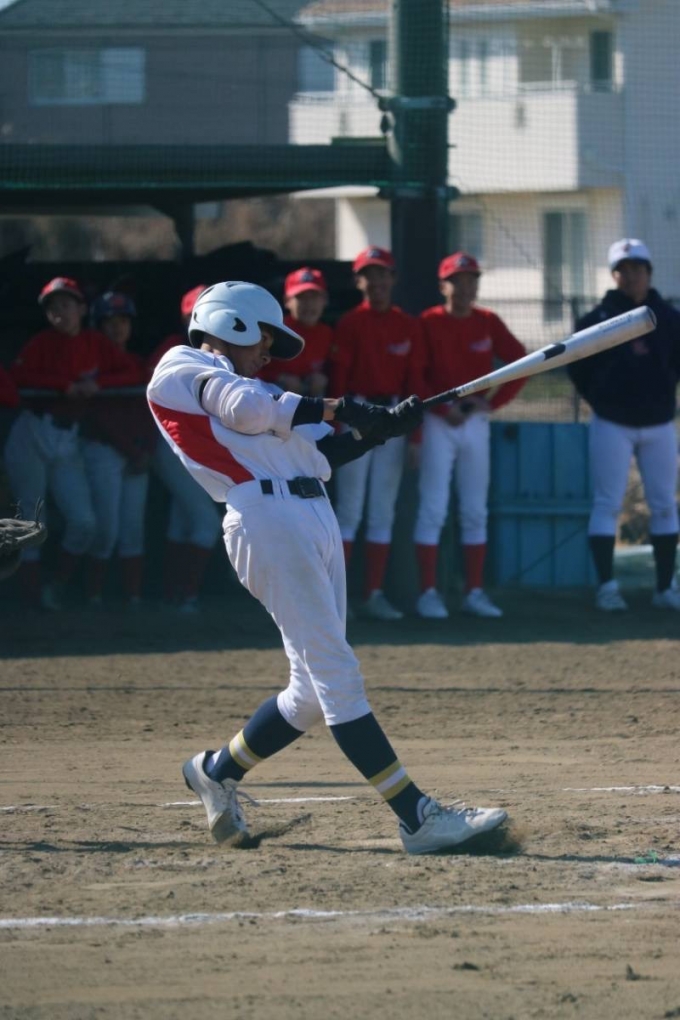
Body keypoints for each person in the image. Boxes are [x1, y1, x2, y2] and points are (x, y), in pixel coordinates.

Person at [147, 280, 508, 854]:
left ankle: (216, 771)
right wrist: (345, 407)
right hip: (265, 519)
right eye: (264, 338)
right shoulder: (181, 368)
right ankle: (417, 817)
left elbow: (320, 452)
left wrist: (378, 431)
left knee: (311, 694)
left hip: (309, 513)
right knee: (337, 674)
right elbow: (247, 410)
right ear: (230, 323)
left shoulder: (258, 389)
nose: (268, 353)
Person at [4, 277, 141, 609]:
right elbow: (17, 376)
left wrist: (100, 383)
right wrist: (63, 384)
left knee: (85, 522)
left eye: (66, 304)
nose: (59, 312)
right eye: (52, 307)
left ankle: (57, 586)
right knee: (32, 523)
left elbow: (137, 373)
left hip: (68, 438)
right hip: (33, 432)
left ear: (81, 308)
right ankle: (31, 602)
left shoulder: (95, 342)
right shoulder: (41, 342)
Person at [413, 252, 527, 620]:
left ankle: (474, 592)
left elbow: (522, 362)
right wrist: (442, 409)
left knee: (475, 509)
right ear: (442, 286)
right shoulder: (428, 321)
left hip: (475, 422)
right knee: (433, 507)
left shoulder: (487, 321)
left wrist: (491, 404)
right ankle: (428, 593)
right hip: (439, 421)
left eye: (470, 281)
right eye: (456, 281)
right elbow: (416, 376)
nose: (464, 288)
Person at [568, 238, 680, 612]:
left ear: (649, 273)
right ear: (614, 275)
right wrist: (602, 399)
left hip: (659, 424)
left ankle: (664, 588)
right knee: (607, 503)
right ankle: (607, 588)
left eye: (637, 269)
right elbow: (577, 367)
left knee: (664, 505)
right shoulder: (597, 320)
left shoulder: (668, 317)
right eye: (623, 270)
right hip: (612, 422)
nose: (631, 276)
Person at [329, 246, 423, 621]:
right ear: (359, 282)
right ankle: (338, 599)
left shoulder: (407, 324)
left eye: (383, 274)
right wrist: (335, 427)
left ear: (393, 278)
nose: (377, 282)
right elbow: (338, 380)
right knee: (349, 511)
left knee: (382, 511)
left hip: (394, 417)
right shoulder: (350, 323)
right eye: (369, 275)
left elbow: (414, 383)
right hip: (357, 414)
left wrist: (415, 437)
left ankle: (373, 594)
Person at [147, 285, 222, 611]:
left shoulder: (226, 351)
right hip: (172, 446)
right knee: (206, 523)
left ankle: (173, 595)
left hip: (197, 448)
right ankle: (186, 595)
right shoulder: (173, 348)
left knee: (183, 521)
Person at [80, 291, 154, 606]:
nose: (117, 327)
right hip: (104, 450)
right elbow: (99, 419)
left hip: (136, 453)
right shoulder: (87, 363)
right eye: (109, 321)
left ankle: (132, 598)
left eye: (123, 320)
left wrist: (146, 450)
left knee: (132, 529)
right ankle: (91, 596)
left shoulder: (137, 362)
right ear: (98, 325)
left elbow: (151, 413)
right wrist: (133, 452)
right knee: (105, 529)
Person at [258, 267, 333, 396]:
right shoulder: (274, 330)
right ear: (287, 301)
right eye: (301, 297)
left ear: (325, 300)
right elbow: (254, 370)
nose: (309, 304)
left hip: (312, 398)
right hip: (276, 397)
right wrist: (280, 377)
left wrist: (321, 377)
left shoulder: (327, 333)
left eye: (314, 297)